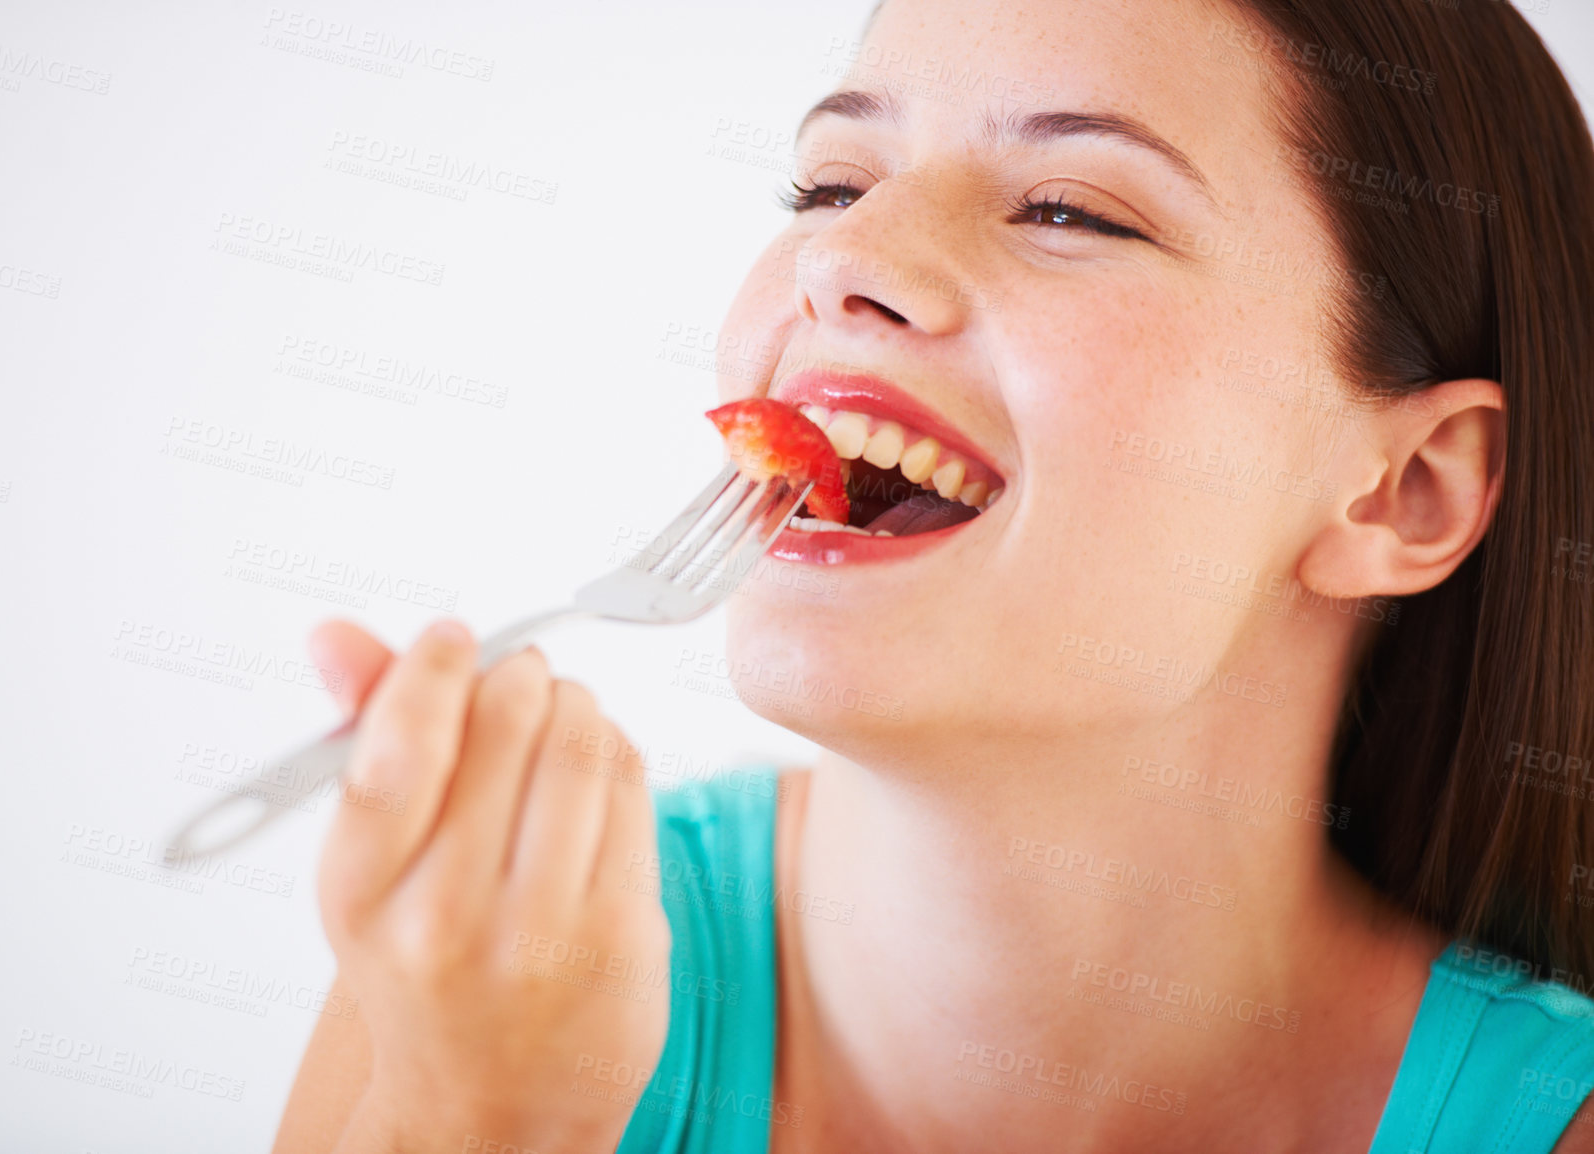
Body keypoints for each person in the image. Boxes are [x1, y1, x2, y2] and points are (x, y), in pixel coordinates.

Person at [273, 0, 1594, 1149]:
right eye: (832, 186)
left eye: (1070, 207)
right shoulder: (488, 986)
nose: (843, 261)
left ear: (1405, 489)